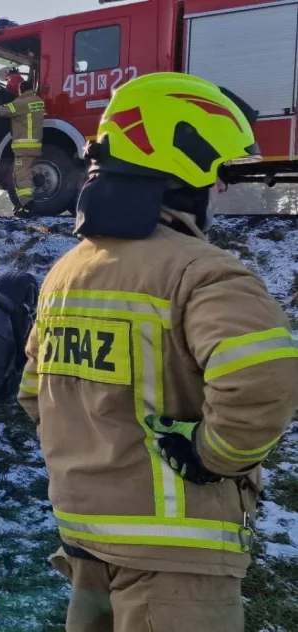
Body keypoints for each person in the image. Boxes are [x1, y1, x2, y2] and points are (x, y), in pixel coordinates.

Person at [17, 72, 298, 631]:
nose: (218, 189)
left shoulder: (65, 274)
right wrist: (213, 454)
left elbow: (33, 395)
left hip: (84, 542)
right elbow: (263, 378)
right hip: (175, 559)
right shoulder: (203, 272)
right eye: (214, 173)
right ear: (183, 168)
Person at [0, 75, 44, 214]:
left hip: (23, 147)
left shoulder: (20, 103)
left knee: (21, 175)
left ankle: (28, 207)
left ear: (20, 90)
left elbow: (1, 111)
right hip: (35, 145)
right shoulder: (38, 102)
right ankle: (23, 205)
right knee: (25, 173)